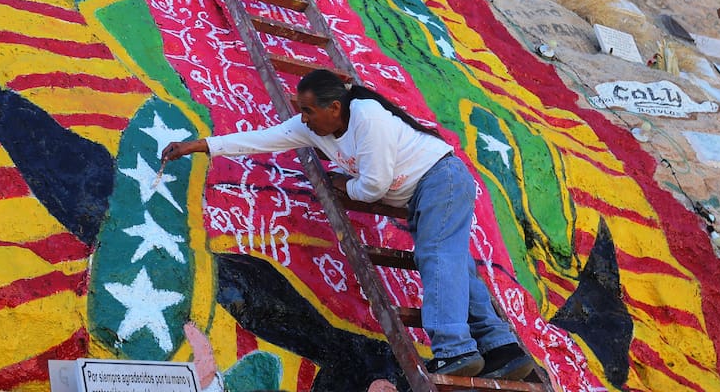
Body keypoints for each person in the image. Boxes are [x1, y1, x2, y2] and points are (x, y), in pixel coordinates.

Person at [162, 69, 537, 381]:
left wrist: (343, 184)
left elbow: (374, 184)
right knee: (456, 267)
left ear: (335, 107)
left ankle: (455, 350)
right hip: (430, 189)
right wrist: (198, 145)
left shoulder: (367, 118)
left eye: (308, 111)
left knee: (437, 257)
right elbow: (260, 140)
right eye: (301, 112)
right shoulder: (314, 127)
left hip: (442, 180)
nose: (303, 119)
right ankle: (503, 350)